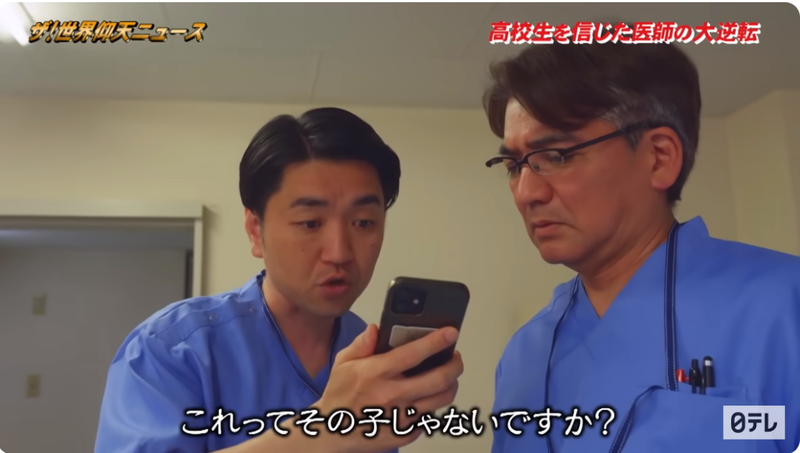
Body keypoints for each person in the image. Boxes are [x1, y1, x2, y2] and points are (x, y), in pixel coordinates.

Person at [482, 42, 800, 453]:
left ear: (658, 157)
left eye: (557, 156)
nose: (527, 193)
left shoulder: (782, 306)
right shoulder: (524, 356)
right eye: (514, 166)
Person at [94, 107, 464, 453]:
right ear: (255, 230)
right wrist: (324, 429)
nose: (339, 252)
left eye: (363, 222)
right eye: (310, 223)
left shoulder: (370, 357)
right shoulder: (170, 350)